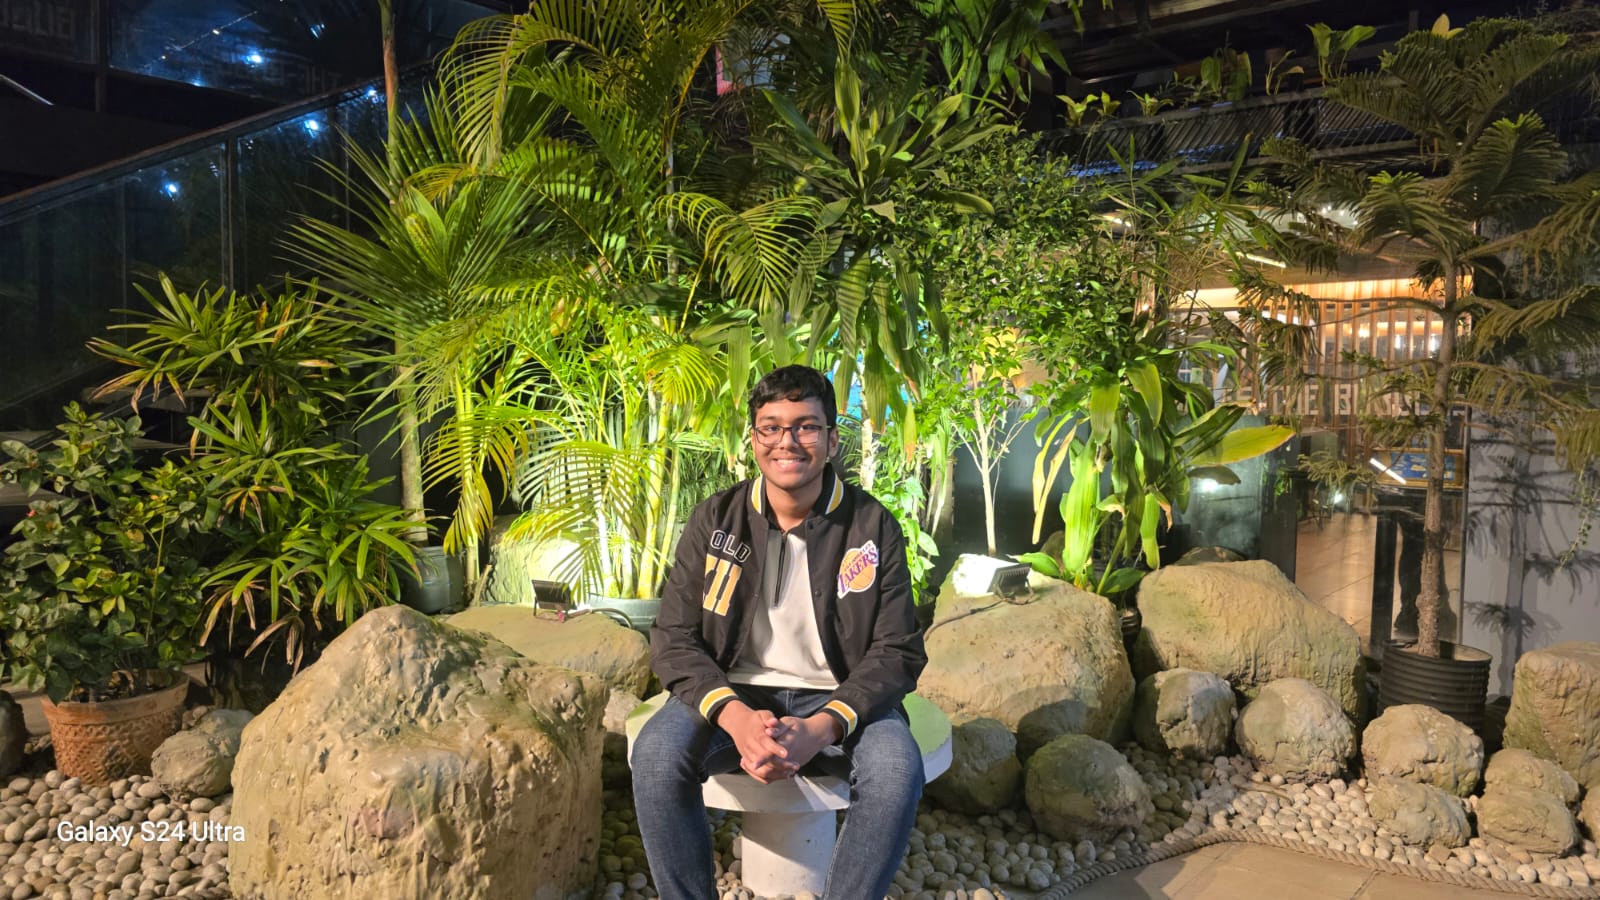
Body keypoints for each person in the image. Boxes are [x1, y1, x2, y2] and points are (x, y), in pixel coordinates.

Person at [631, 364, 927, 900]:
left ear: (832, 440)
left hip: (840, 696)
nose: (787, 441)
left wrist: (822, 727)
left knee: (895, 770)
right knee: (655, 758)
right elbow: (673, 635)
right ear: (754, 439)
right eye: (771, 427)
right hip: (732, 690)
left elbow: (897, 650)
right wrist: (734, 716)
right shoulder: (716, 519)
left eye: (806, 426)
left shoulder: (871, 524)